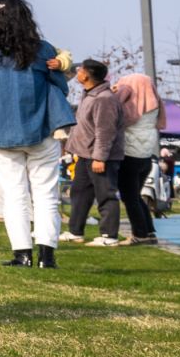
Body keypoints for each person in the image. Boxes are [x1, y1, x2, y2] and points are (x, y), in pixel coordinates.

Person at [0, 0, 74, 268]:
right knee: (46, 194)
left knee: (14, 195)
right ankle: (47, 256)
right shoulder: (43, 49)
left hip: (2, 131)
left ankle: (22, 254)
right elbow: (61, 85)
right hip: (42, 131)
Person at [61, 59, 124, 247]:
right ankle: (75, 232)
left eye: (80, 70)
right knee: (79, 193)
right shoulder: (89, 94)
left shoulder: (104, 99)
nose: (77, 72)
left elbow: (105, 131)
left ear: (88, 75)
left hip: (100, 157)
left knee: (105, 195)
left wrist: (100, 157)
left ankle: (109, 236)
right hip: (85, 154)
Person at [112, 70, 165, 245]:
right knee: (136, 196)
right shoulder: (154, 106)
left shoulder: (132, 106)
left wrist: (114, 93)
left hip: (129, 155)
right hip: (145, 157)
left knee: (129, 198)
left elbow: (116, 116)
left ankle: (140, 234)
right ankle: (149, 231)